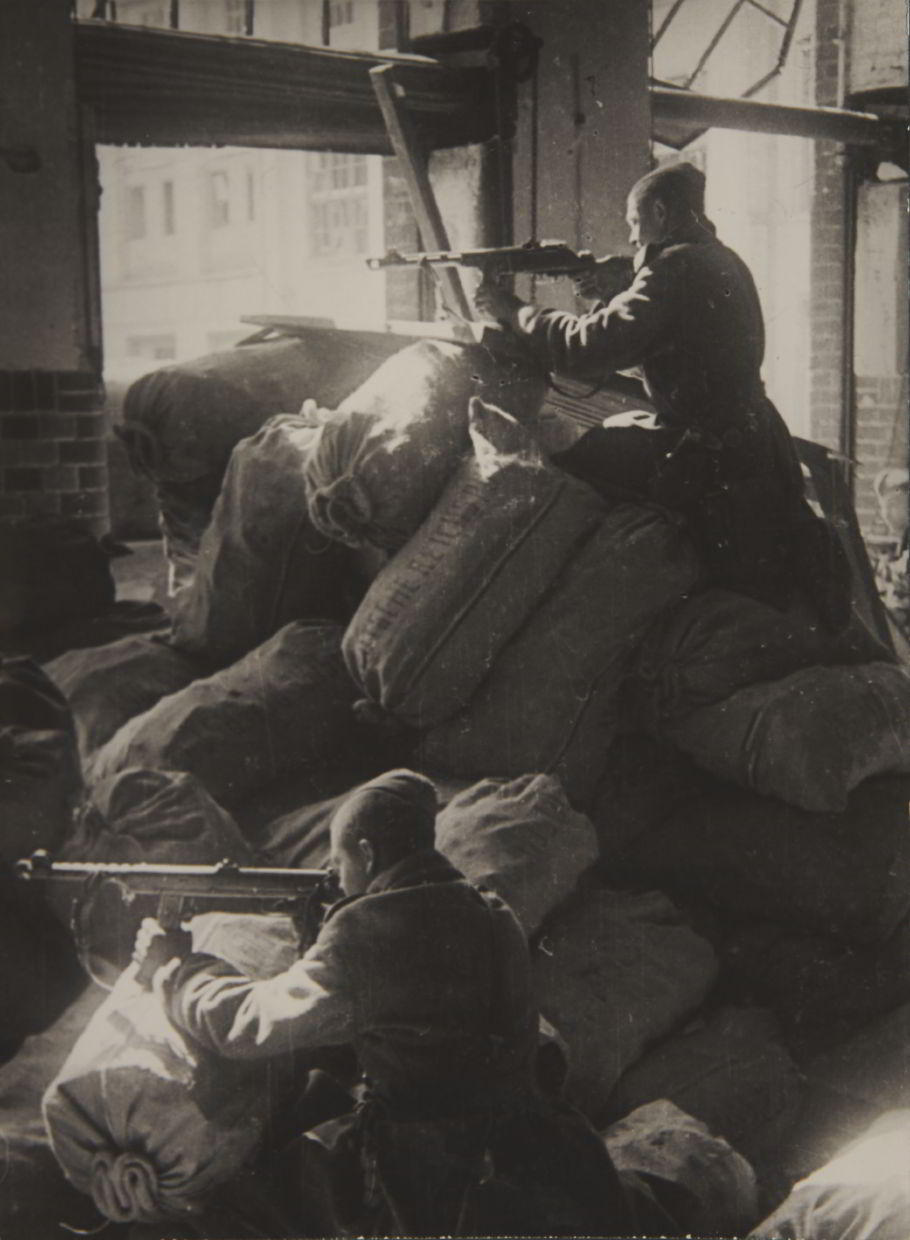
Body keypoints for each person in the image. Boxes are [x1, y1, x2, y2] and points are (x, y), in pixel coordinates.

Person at [134, 769, 642, 1238]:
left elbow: (251, 1024)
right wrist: (320, 937)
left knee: (238, 1204)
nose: (336, 879)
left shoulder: (366, 932)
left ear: (367, 854)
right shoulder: (491, 912)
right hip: (532, 1150)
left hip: (430, 1174)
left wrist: (176, 971)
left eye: (340, 864)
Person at [476, 162, 851, 627]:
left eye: (635, 222)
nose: (632, 237)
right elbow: (677, 340)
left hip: (710, 456)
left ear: (659, 212)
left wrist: (514, 311)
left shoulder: (676, 268)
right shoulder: (721, 258)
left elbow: (589, 347)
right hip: (752, 444)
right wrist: (614, 291)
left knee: (569, 472)